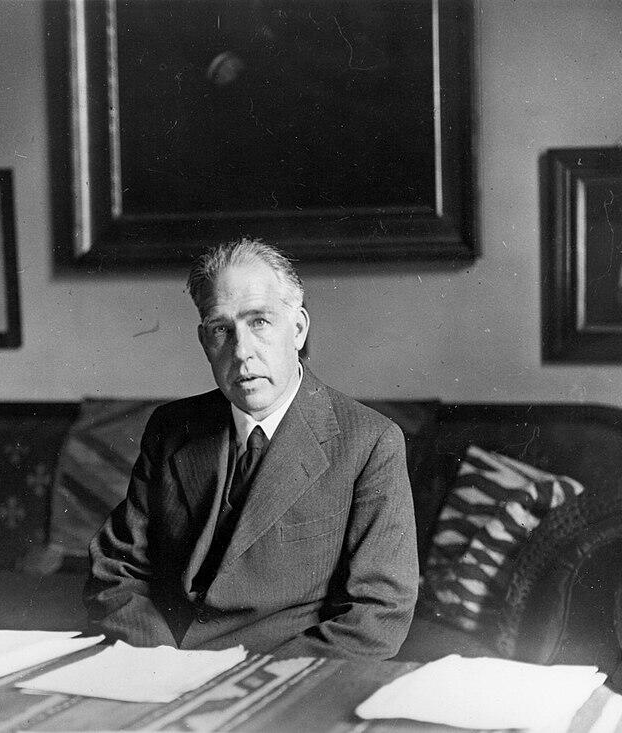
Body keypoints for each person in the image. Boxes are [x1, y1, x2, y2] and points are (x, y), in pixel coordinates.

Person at [85, 238, 418, 659]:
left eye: (259, 321)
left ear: (297, 329)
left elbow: (376, 616)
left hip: (280, 683)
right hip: (160, 665)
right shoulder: (171, 428)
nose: (241, 352)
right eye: (221, 329)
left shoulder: (370, 442)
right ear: (205, 341)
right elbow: (115, 568)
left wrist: (250, 683)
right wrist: (159, 660)